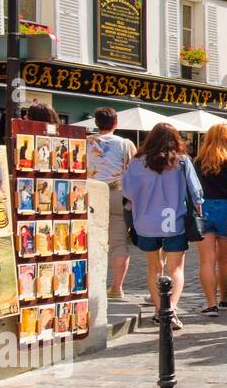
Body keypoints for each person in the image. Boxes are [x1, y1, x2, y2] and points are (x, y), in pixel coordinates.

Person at [121, 123, 203, 330]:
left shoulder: (137, 162)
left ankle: (159, 311)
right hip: (175, 221)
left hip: (145, 222)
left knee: (154, 267)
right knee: (176, 268)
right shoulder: (182, 162)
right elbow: (196, 192)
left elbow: (128, 193)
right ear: (176, 140)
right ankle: (171, 310)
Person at [87, 106, 137, 301]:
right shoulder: (126, 144)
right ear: (116, 123)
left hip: (91, 195)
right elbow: (136, 172)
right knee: (118, 243)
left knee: (90, 241)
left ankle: (91, 285)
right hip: (118, 194)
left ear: (96, 123)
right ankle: (116, 288)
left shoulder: (86, 143)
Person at [195, 123, 227, 316]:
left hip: (204, 208)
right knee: (225, 260)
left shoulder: (198, 162)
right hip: (225, 209)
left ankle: (211, 303)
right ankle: (224, 299)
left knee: (206, 261)